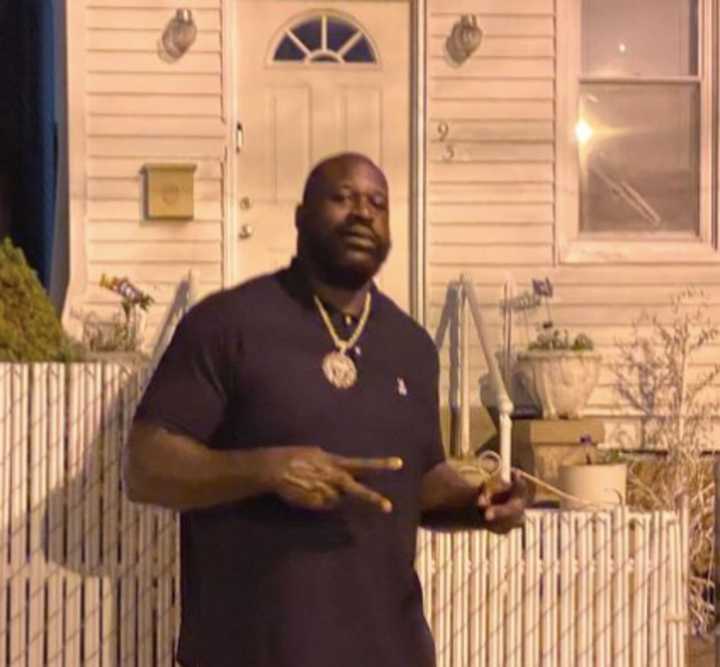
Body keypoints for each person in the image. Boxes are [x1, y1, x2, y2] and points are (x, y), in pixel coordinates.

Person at [124, 152, 528, 667]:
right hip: (250, 650)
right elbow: (145, 467)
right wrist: (266, 469)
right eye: (342, 197)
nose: (362, 211)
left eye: (377, 203)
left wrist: (481, 503)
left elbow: (419, 481)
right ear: (300, 217)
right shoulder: (228, 325)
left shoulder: (411, 347)